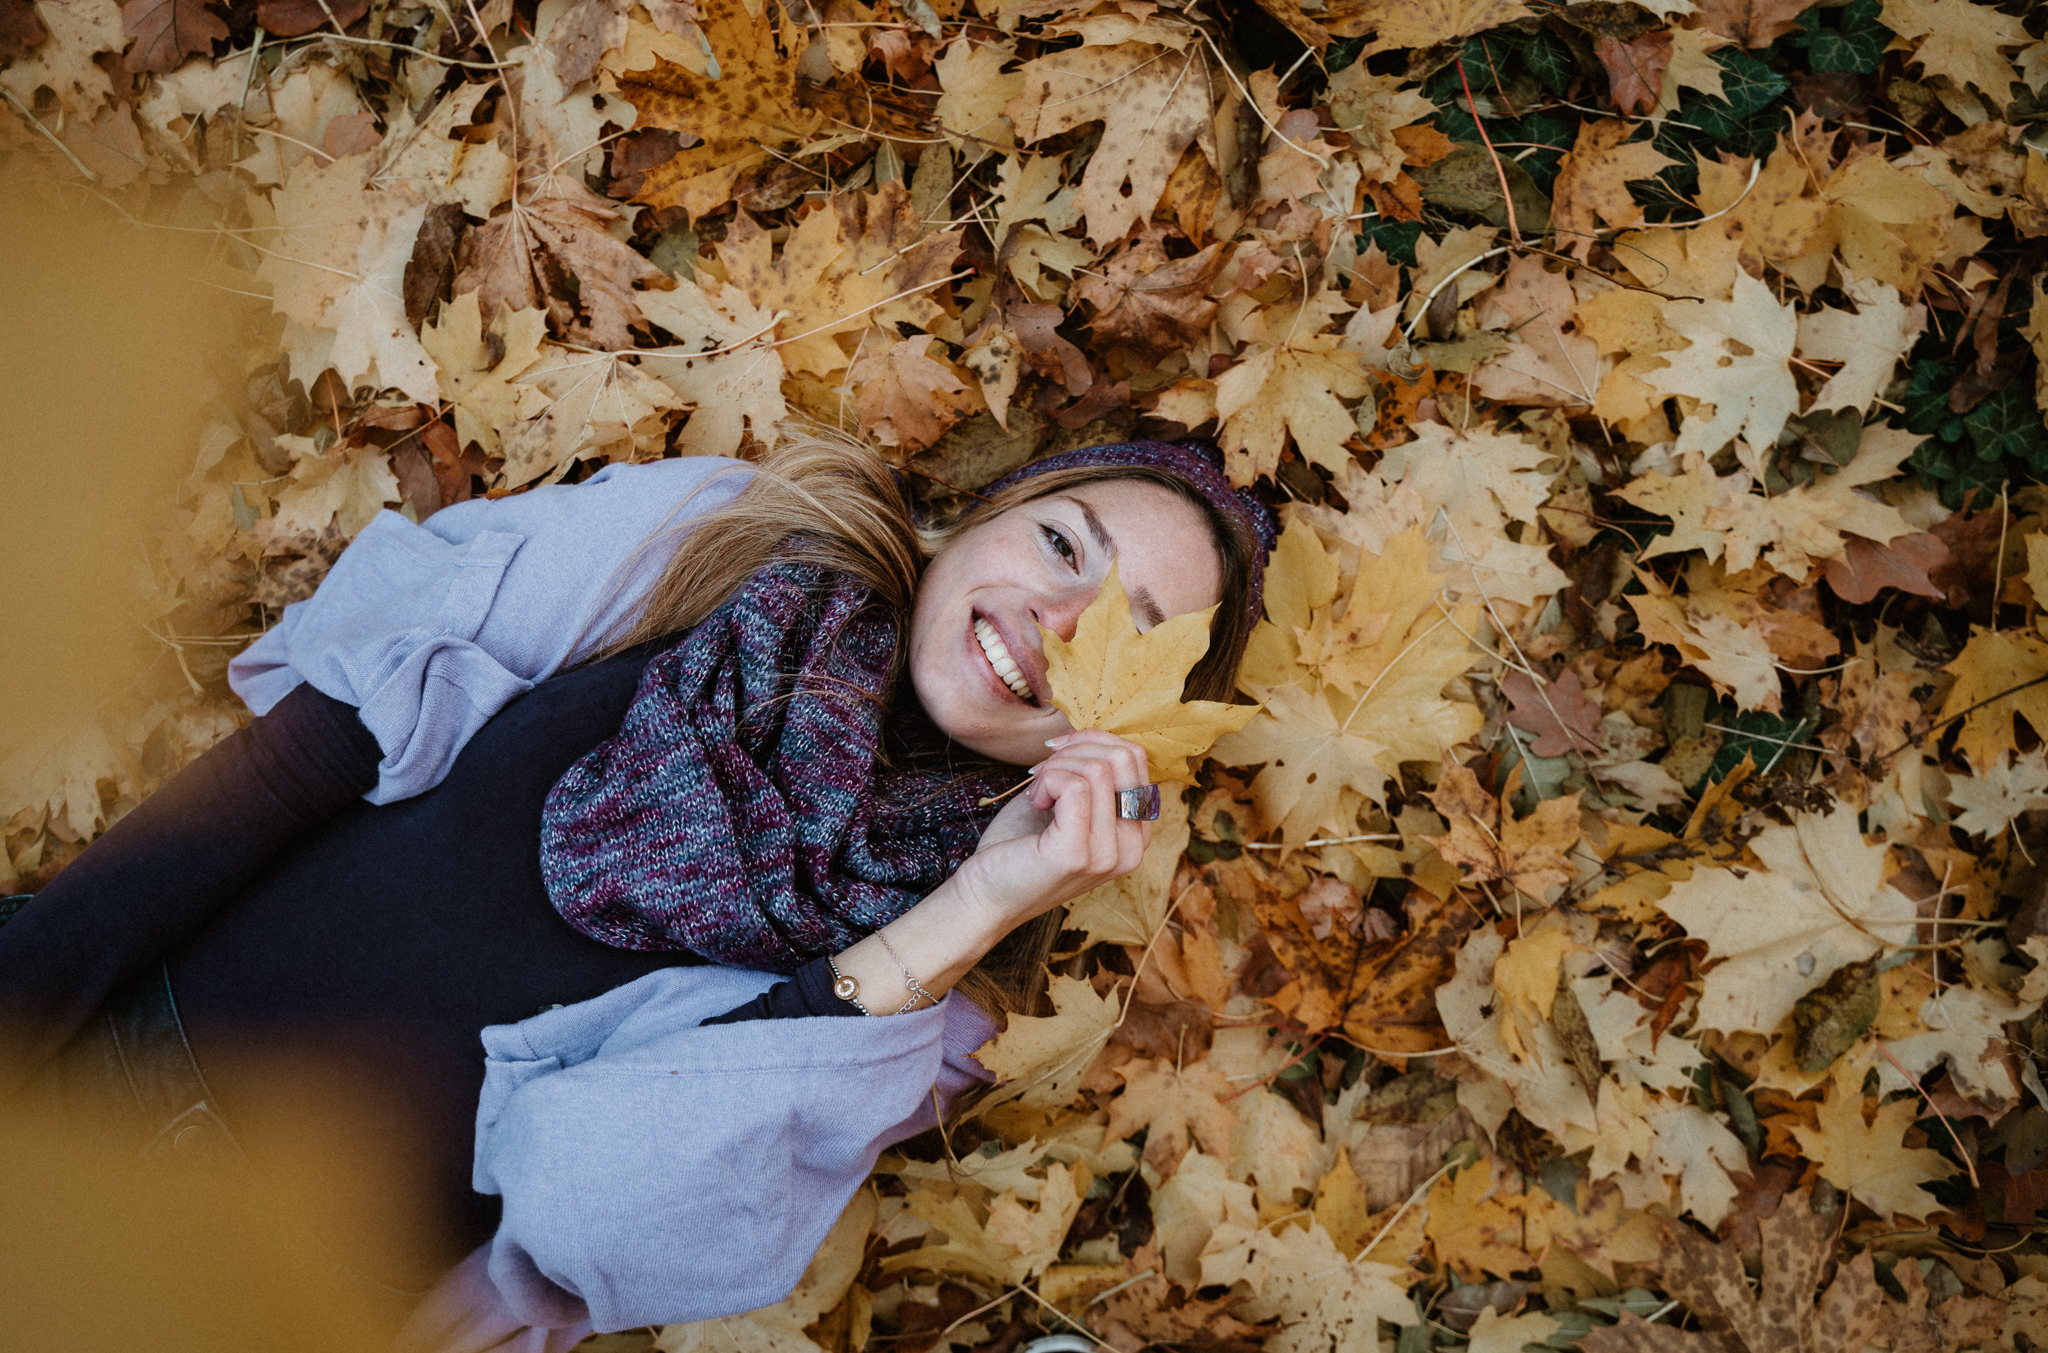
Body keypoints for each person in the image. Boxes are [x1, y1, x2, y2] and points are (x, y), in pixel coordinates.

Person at [0, 432, 1273, 1351]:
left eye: (1127, 630)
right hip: (103, 1053)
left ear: (1128, 725)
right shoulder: (713, 545)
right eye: (1061, 544)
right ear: (983, 514)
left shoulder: (929, 1011)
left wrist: (977, 904)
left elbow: (594, 1209)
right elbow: (307, 753)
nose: (1059, 619)